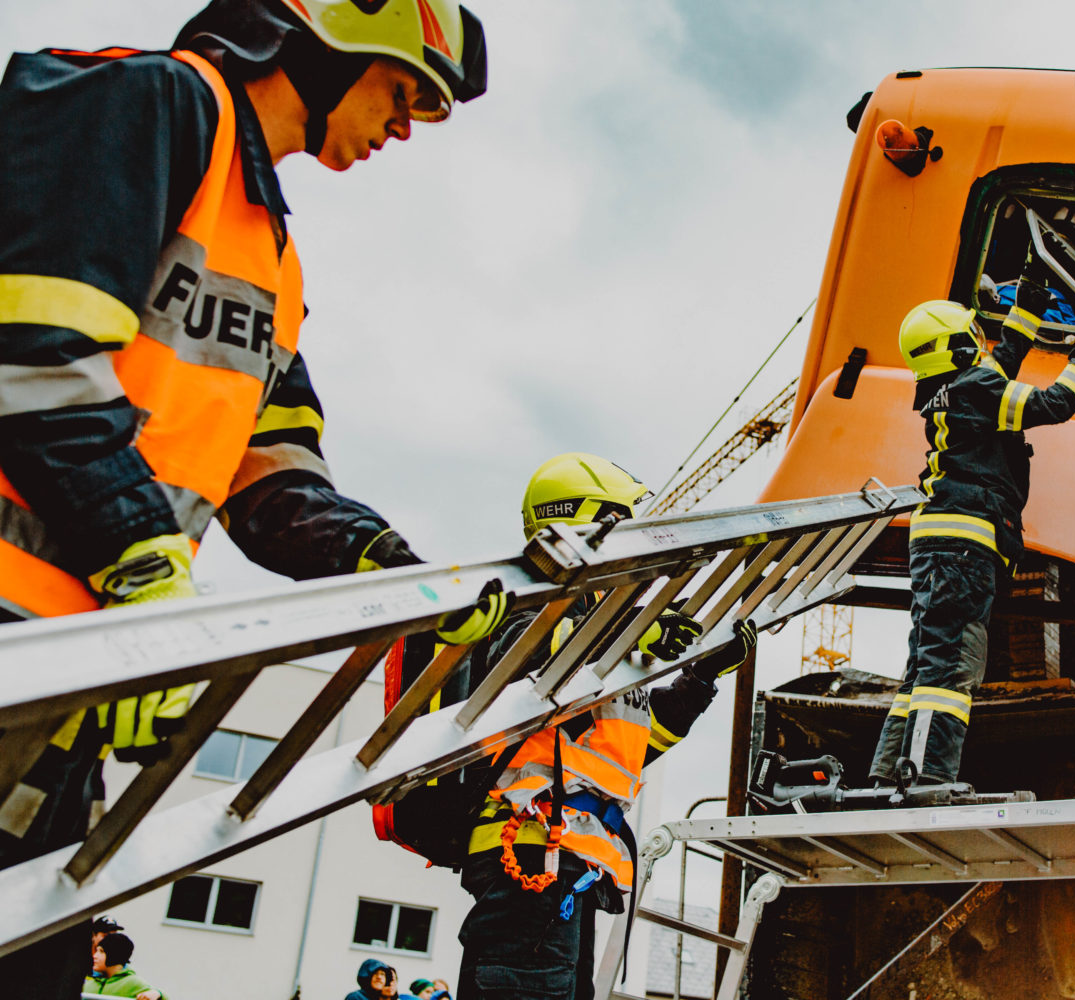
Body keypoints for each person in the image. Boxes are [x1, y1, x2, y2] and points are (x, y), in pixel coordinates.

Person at [0, 3, 492, 996]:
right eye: (406, 91)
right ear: (332, 37)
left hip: (78, 667)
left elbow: (268, 475)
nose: (406, 125)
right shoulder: (145, 102)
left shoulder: (271, 259)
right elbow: (32, 354)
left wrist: (390, 567)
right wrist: (142, 558)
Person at [412, 453, 757, 1000]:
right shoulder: (540, 597)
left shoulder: (603, 636)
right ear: (591, 521)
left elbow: (632, 747)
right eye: (624, 522)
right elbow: (524, 653)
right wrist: (634, 632)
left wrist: (700, 678)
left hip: (568, 865)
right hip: (528, 853)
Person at [867, 257, 1075, 789]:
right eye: (970, 338)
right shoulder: (975, 389)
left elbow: (1002, 363)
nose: (980, 344)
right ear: (958, 348)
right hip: (962, 549)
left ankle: (887, 777)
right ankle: (925, 779)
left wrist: (1028, 305)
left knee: (924, 668)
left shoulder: (951, 390)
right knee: (951, 668)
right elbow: (1054, 403)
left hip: (939, 544)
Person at [82, 932, 164, 999]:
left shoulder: (132, 983)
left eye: (101, 951)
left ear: (113, 955)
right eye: (96, 951)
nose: (95, 956)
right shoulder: (89, 985)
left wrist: (158, 994)